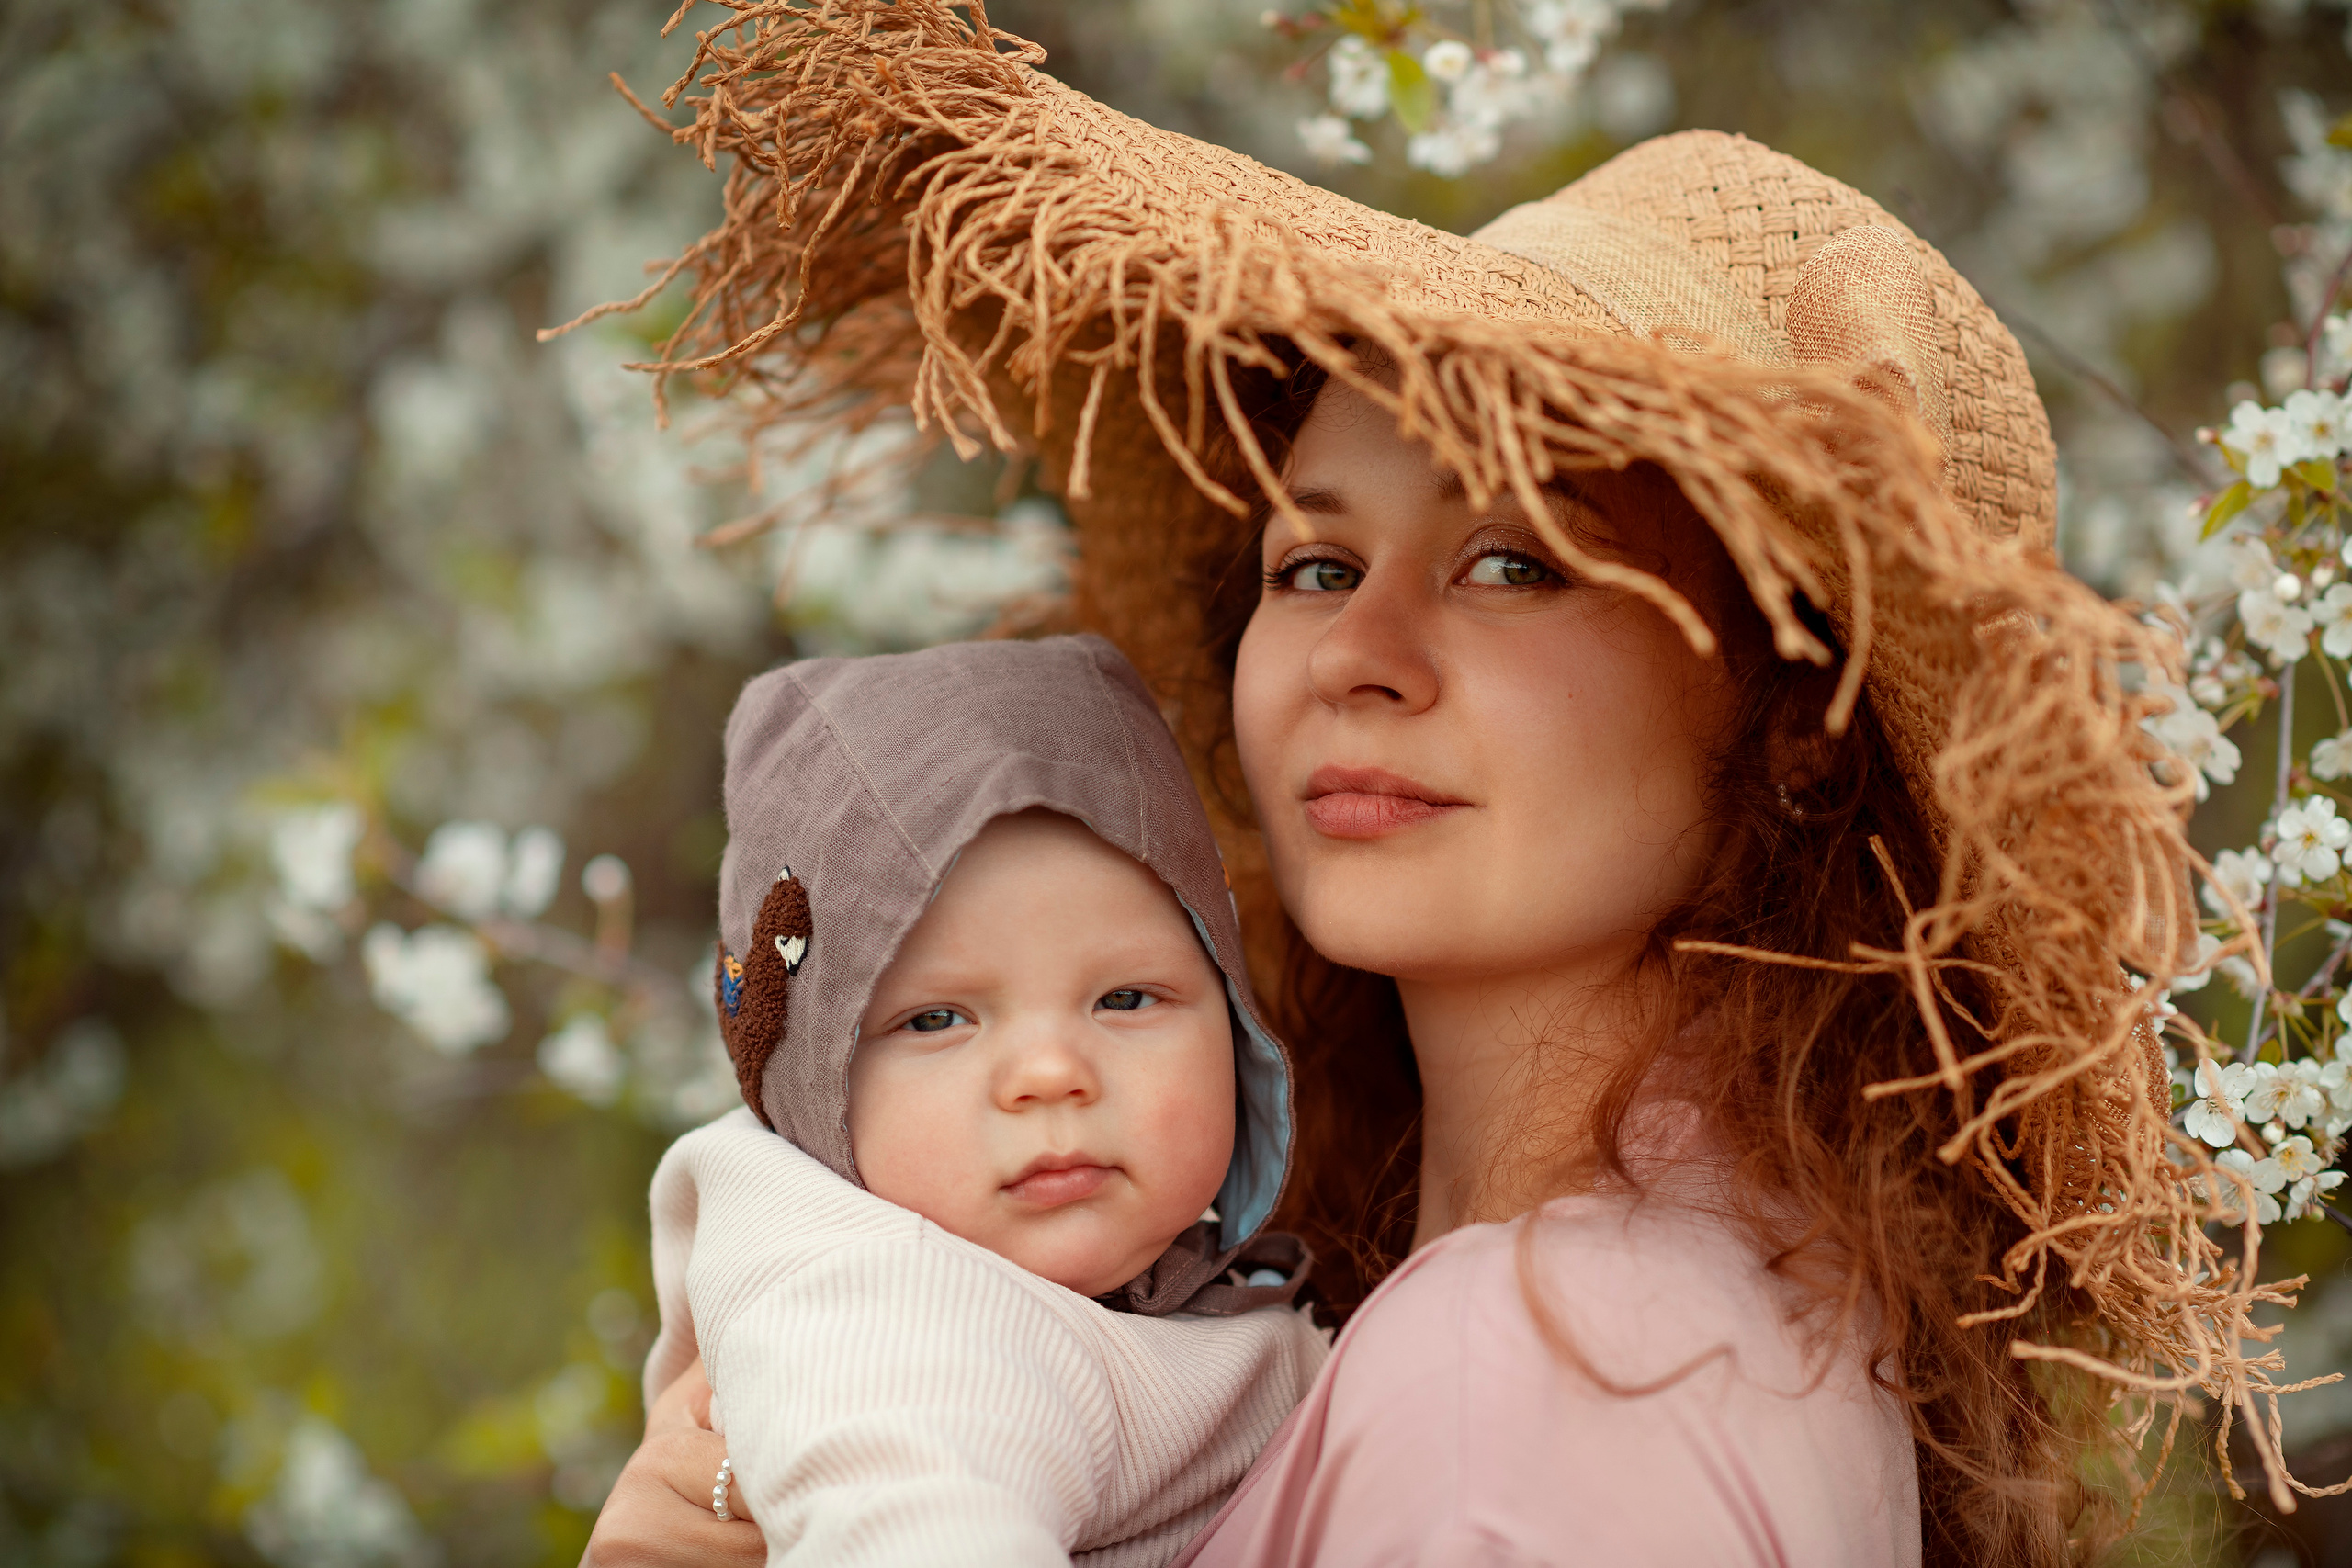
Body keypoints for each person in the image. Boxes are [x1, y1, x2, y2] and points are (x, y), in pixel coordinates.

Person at [573, 4, 2280, 1563]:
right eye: (1313, 565)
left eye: (1513, 563)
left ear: (1795, 710)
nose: (1355, 651)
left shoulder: (1539, 1370)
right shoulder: (1531, 1302)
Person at [645, 637, 1326, 1566]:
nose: (1049, 1074)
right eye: (936, 1020)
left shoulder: (1155, 1282)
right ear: (809, 1085)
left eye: (1125, 999)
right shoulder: (875, 1314)